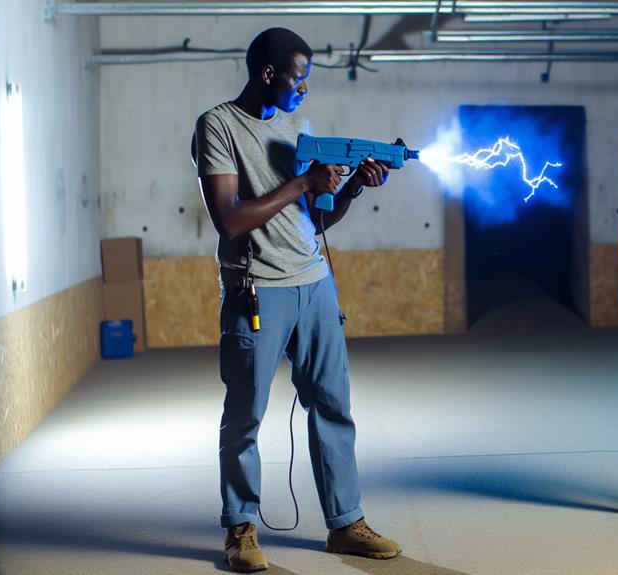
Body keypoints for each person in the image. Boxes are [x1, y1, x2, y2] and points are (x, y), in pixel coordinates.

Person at [193, 27, 400, 572]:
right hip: (257, 289)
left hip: (314, 282)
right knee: (245, 415)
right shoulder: (217, 125)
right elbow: (231, 218)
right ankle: (240, 530)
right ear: (268, 73)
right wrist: (303, 184)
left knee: (333, 407)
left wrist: (350, 186)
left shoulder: (299, 128)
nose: (305, 88)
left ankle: (345, 524)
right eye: (299, 77)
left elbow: (319, 217)